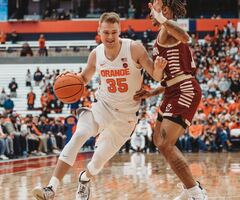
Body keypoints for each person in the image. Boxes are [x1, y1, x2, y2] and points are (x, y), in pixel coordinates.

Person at [32, 12, 167, 200]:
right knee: (79, 134)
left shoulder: (134, 49)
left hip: (126, 117)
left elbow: (156, 75)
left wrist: (159, 70)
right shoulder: (96, 54)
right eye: (106, 33)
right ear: (99, 32)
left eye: (114, 32)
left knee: (97, 162)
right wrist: (67, 78)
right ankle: (51, 188)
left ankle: (84, 179)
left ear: (119, 30)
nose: (110, 37)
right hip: (103, 106)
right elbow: (84, 78)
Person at [135, 0, 207, 199]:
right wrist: (151, 92)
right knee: (158, 140)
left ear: (164, 10)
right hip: (171, 90)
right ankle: (189, 187)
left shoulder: (169, 29)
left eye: (153, 9)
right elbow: (170, 77)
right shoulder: (162, 33)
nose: (150, 13)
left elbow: (185, 37)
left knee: (166, 143)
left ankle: (195, 193)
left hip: (185, 90)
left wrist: (161, 17)